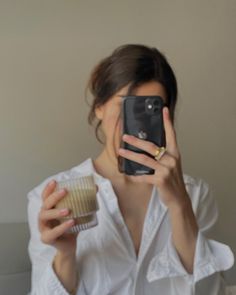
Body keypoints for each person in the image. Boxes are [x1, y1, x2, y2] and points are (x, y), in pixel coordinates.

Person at [27, 44, 234, 295]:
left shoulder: (195, 194)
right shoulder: (54, 196)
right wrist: (66, 255)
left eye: (150, 110)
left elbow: (211, 291)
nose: (137, 128)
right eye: (127, 107)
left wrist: (180, 207)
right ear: (99, 107)